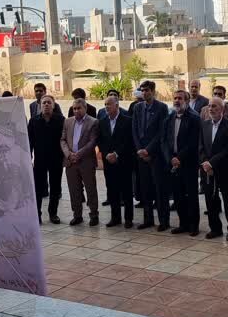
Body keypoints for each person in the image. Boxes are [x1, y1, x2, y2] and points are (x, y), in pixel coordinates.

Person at [200, 97, 228, 240]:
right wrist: (205, 162)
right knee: (210, 200)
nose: (211, 109)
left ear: (222, 109)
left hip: (224, 169)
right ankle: (215, 228)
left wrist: (212, 162)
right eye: (210, 106)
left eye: (215, 106)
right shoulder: (204, 125)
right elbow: (201, 146)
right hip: (207, 170)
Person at [132, 80, 170, 230]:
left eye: (147, 90)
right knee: (145, 188)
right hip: (141, 155)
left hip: (156, 155)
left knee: (160, 189)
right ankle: (148, 219)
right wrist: (140, 150)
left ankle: (163, 221)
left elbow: (162, 132)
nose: (145, 92)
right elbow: (134, 130)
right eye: (143, 90)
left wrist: (148, 150)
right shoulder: (137, 107)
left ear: (153, 91)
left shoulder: (162, 107)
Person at [163, 89, 202, 235]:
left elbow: (193, 142)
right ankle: (183, 223)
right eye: (175, 98)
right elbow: (164, 140)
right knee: (178, 195)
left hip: (188, 163)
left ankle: (194, 226)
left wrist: (179, 157)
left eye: (180, 98)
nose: (177, 101)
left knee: (191, 196)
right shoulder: (170, 117)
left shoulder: (194, 117)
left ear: (186, 100)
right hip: (173, 163)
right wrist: (170, 158)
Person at [61, 99, 100, 226]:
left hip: (86, 161)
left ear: (85, 108)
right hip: (70, 162)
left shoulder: (93, 122)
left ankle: (94, 215)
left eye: (79, 108)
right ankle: (77, 215)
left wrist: (79, 154)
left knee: (90, 189)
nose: (76, 111)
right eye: (74, 108)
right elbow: (63, 140)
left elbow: (93, 141)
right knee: (74, 190)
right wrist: (69, 154)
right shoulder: (67, 121)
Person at [98, 93, 134, 228]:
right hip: (108, 162)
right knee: (112, 190)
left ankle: (128, 219)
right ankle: (115, 217)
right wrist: (106, 154)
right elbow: (100, 140)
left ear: (117, 105)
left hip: (123, 161)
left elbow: (129, 141)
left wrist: (117, 154)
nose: (107, 107)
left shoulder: (127, 120)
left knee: (126, 190)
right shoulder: (102, 121)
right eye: (105, 104)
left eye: (109, 104)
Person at [29, 94, 65, 224]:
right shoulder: (33, 121)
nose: (46, 105)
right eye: (44, 103)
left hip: (56, 160)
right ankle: (37, 214)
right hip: (40, 160)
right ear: (40, 106)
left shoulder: (61, 120)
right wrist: (29, 157)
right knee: (38, 188)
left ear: (53, 105)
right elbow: (30, 141)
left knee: (55, 188)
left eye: (49, 103)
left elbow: (64, 140)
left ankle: (53, 213)